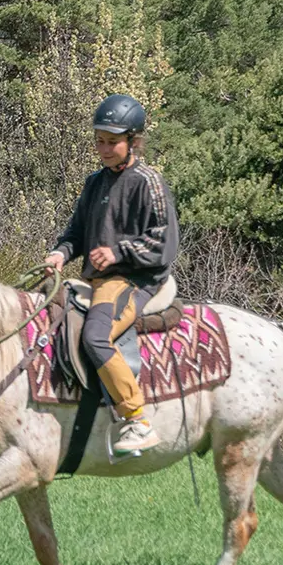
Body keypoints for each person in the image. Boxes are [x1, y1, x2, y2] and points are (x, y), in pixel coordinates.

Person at [43, 93, 180, 457]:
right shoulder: (94, 183)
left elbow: (164, 241)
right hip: (95, 281)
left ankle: (137, 420)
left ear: (133, 141)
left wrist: (118, 252)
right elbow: (76, 232)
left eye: (112, 142)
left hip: (133, 281)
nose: (103, 149)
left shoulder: (149, 182)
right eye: (99, 141)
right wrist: (60, 253)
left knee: (96, 336)